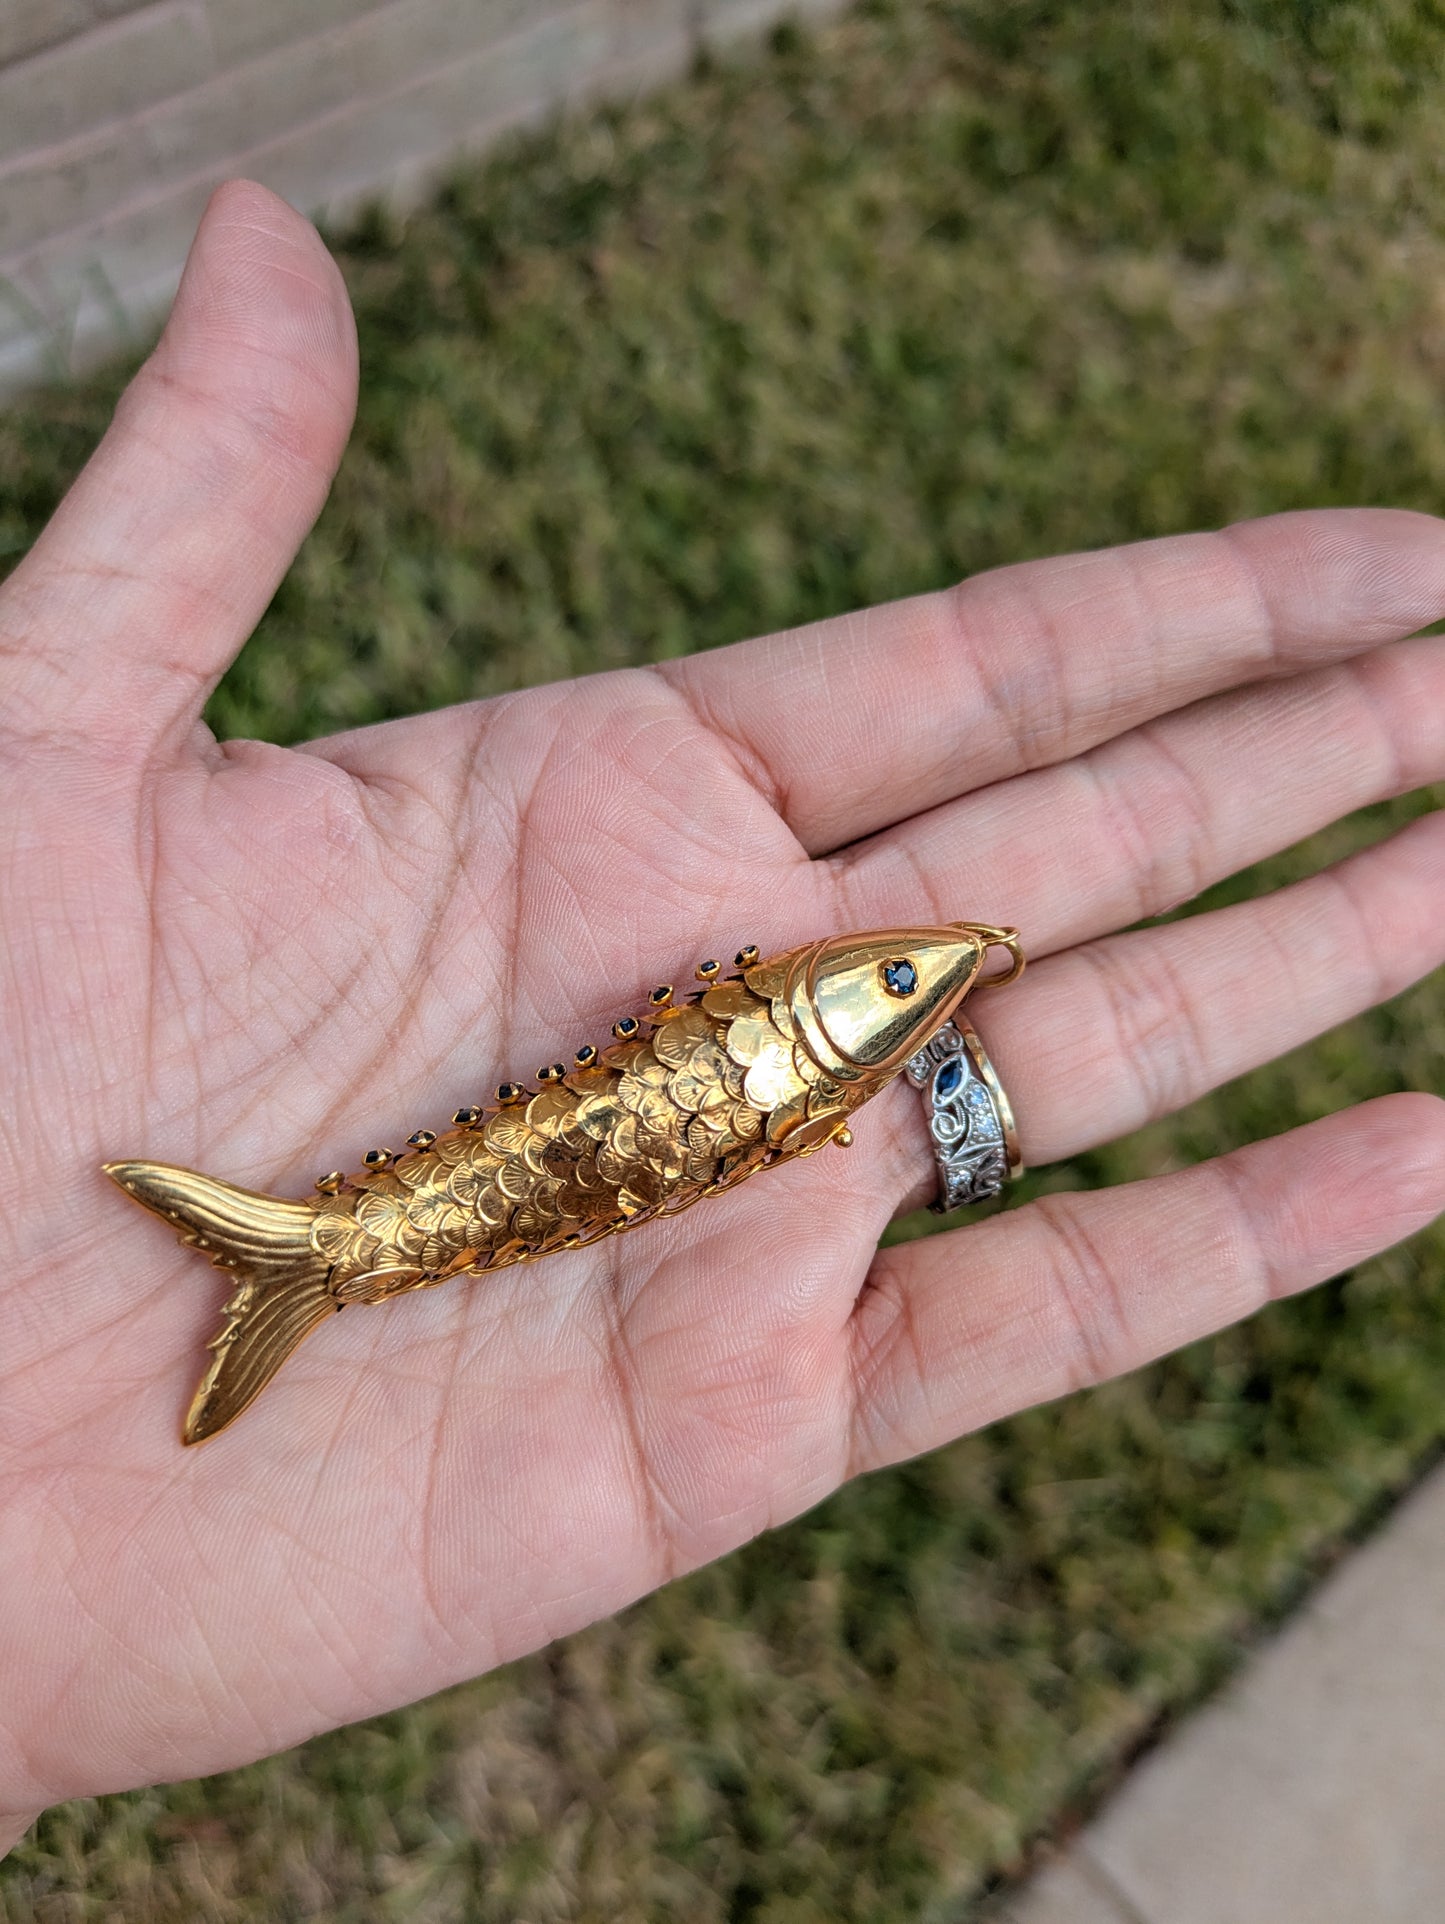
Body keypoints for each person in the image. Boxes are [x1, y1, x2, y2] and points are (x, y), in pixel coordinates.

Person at [2, 180, 1442, 1855]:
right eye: (897, 983)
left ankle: (322, 1256)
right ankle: (317, 1253)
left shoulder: (813, 1074)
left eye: (900, 993)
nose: (907, 985)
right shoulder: (792, 1040)